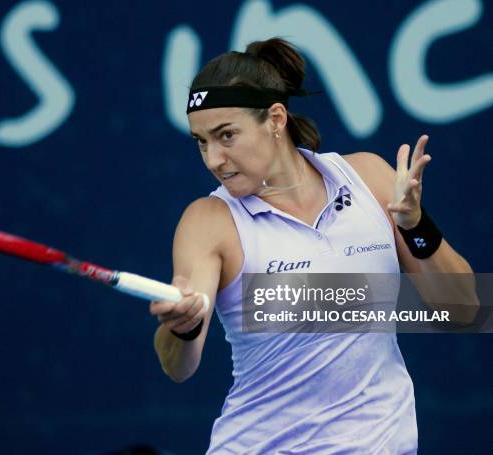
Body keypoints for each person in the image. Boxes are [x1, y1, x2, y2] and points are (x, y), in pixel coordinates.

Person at [150, 37, 477, 454]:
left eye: (226, 135)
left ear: (275, 118)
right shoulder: (208, 222)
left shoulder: (369, 179)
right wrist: (182, 327)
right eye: (201, 141)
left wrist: (415, 225)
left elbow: (464, 309)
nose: (213, 158)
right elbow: (179, 366)